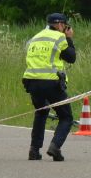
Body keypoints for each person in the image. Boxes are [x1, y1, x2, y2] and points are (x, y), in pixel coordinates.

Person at [23, 12, 77, 161]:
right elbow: (71, 57)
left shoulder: (36, 37)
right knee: (66, 117)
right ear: (60, 25)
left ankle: (34, 150)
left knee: (41, 112)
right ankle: (55, 146)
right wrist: (69, 38)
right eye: (65, 26)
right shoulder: (60, 37)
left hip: (32, 81)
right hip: (51, 82)